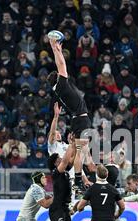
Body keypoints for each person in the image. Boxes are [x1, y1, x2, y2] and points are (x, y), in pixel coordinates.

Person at [49, 37, 92, 194]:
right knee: (79, 152)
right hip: (81, 119)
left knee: (73, 149)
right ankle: (78, 182)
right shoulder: (62, 84)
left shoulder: (58, 90)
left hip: (76, 120)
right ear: (58, 78)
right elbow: (61, 64)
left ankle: (71, 177)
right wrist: (56, 49)